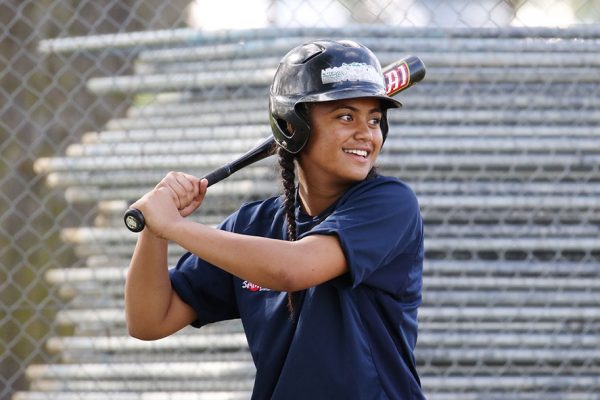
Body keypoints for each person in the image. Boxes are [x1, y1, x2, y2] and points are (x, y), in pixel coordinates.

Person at [125, 39, 425, 399]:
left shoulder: (389, 204)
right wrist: (154, 232)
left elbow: (292, 270)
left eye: (374, 119)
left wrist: (174, 227)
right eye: (346, 116)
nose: (366, 133)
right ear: (292, 125)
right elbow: (148, 321)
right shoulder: (254, 226)